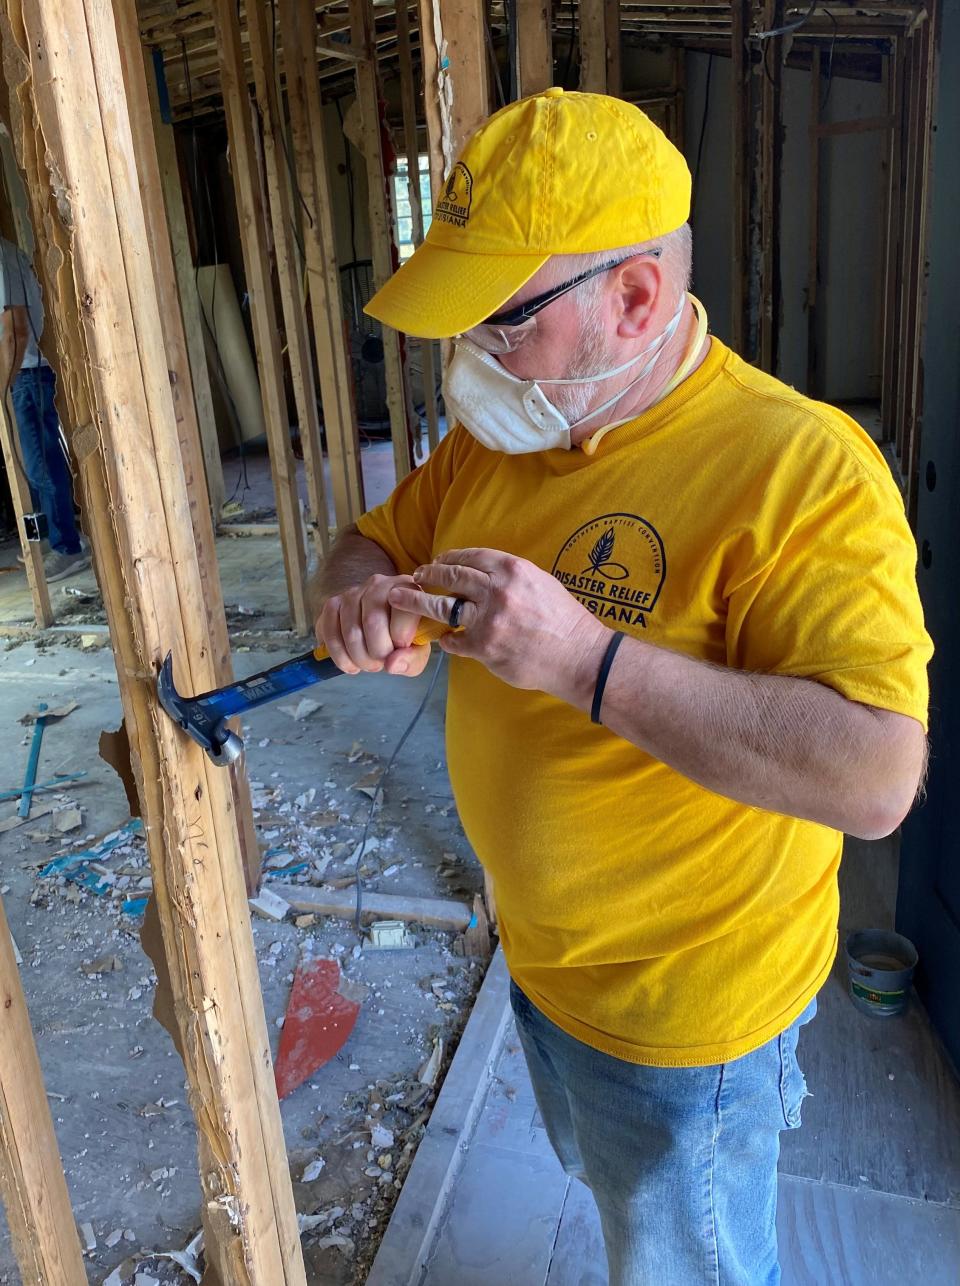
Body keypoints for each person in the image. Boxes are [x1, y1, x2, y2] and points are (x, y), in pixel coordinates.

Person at [309, 90, 931, 1285]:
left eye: (502, 322)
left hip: (684, 1022)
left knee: (687, 1254)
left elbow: (875, 775)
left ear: (637, 297)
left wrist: (584, 662)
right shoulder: (505, 434)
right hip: (541, 969)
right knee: (617, 1203)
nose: (471, 360)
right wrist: (358, 595)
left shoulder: (800, 471)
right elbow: (370, 539)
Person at [0, 236, 89, 581]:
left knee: (42, 464)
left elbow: (16, 333)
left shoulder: (2, 257)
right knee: (37, 465)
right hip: (23, 373)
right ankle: (61, 537)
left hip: (29, 371)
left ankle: (68, 548)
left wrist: (2, 386)